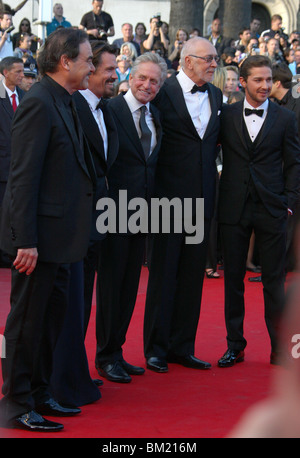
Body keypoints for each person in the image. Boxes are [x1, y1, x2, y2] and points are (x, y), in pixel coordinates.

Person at [0, 27, 96, 432]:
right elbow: (22, 178)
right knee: (26, 322)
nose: (92, 66)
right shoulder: (39, 102)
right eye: (88, 59)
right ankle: (15, 404)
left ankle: (39, 393)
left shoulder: (66, 101)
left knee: (49, 321)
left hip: (62, 241)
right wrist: (27, 241)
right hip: (39, 242)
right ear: (66, 61)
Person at [143, 37, 223, 373]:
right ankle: (156, 349)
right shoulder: (162, 92)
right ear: (188, 60)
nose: (214, 63)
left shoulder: (217, 95)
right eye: (208, 58)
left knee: (192, 276)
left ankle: (182, 346)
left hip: (203, 200)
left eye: (215, 58)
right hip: (166, 202)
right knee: (163, 276)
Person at [217, 55, 300, 368]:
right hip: (233, 206)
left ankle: (280, 348)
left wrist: (289, 202)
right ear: (243, 83)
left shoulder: (284, 118)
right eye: (259, 80)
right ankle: (234, 346)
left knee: (274, 282)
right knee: (233, 280)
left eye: (269, 80)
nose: (266, 85)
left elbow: (294, 163)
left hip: (272, 207)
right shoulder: (226, 114)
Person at [50, 42, 119, 406]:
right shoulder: (68, 105)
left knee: (83, 301)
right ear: (86, 72)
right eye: (104, 67)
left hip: (95, 221)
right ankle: (60, 378)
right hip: (71, 223)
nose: (112, 74)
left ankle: (75, 370)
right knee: (68, 303)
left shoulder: (104, 109)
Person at [95, 52, 167, 383]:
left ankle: (117, 351)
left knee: (128, 288)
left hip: (143, 215)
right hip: (112, 213)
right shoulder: (110, 110)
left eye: (154, 81)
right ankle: (104, 355)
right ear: (130, 76)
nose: (147, 85)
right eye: (142, 78)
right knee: (111, 287)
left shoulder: (157, 117)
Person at [0, 56, 24, 268]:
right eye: (17, 71)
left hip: (21, 166)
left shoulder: (26, 96)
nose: (22, 75)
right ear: (6, 73)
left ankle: (10, 250)